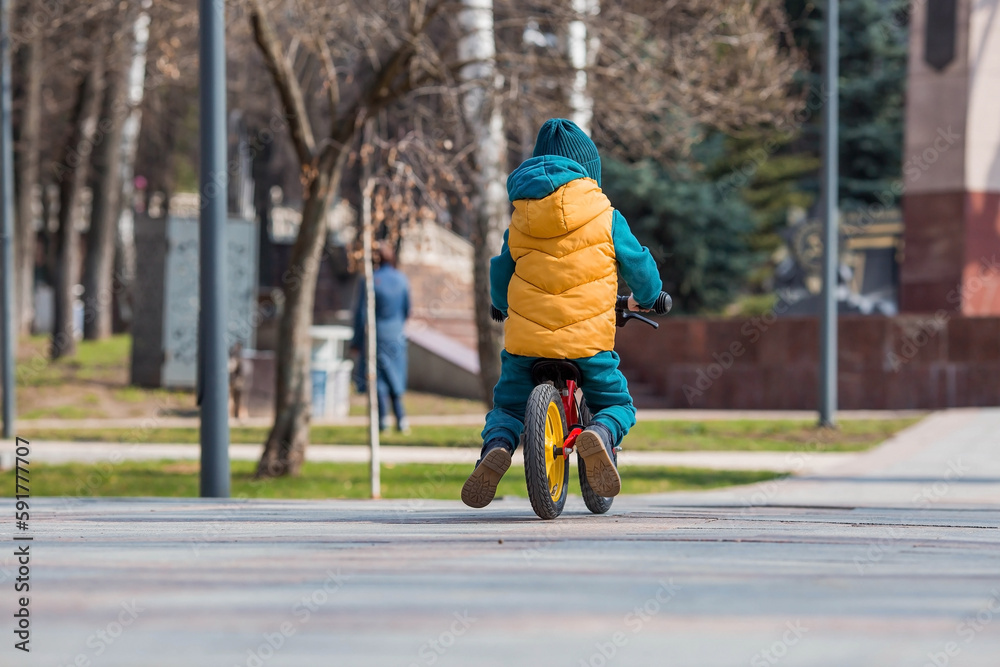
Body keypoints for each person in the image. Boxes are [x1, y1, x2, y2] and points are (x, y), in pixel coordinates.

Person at [461, 118, 663, 509]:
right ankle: (601, 433)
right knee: (617, 403)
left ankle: (496, 447)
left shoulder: (520, 218)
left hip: (527, 342)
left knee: (508, 406)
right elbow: (638, 264)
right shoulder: (606, 215)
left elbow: (501, 270)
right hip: (587, 344)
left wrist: (501, 306)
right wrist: (652, 296)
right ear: (588, 171)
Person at [351, 244, 411, 432]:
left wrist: (356, 341)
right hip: (397, 334)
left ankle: (382, 419)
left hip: (376, 335)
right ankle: (401, 420)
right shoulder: (402, 280)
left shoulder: (369, 280)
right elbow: (408, 309)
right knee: (395, 376)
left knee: (378, 378)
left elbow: (362, 314)